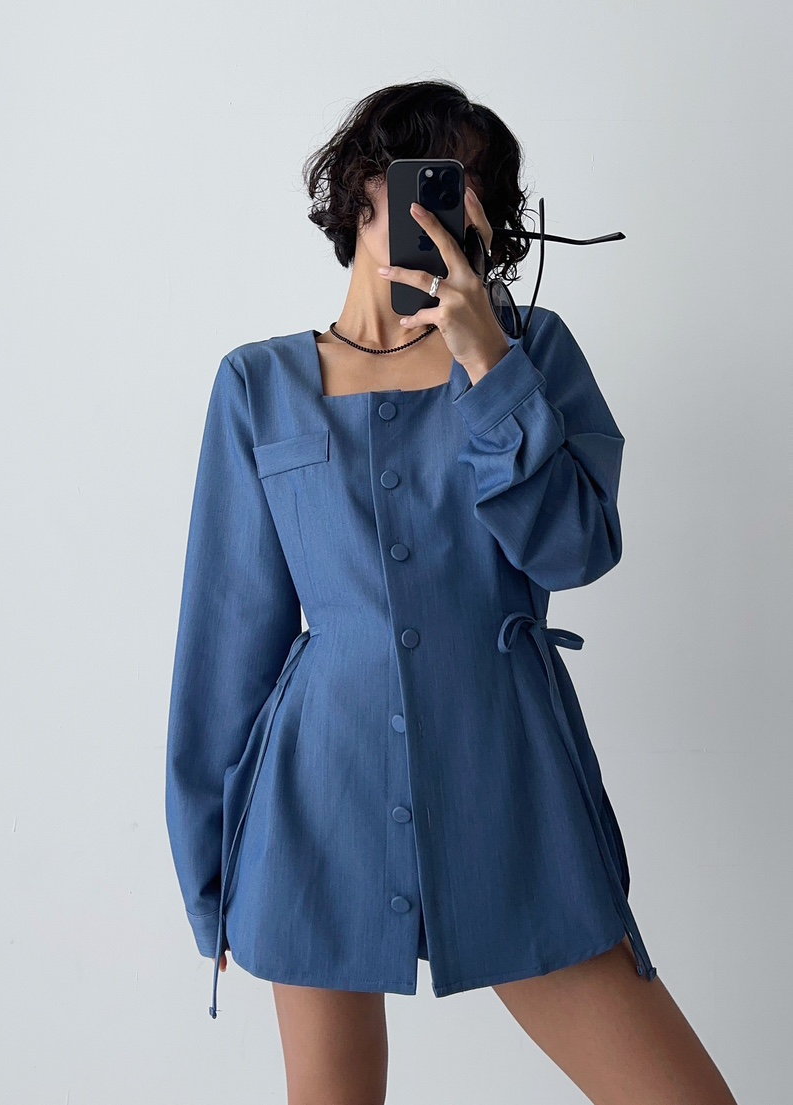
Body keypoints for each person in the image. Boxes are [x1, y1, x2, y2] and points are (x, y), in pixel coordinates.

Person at [165, 80, 739, 1105]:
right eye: (431, 173)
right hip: (317, 800)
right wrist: (211, 879)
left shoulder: (532, 351)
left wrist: (487, 359)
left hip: (505, 780)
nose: (451, 203)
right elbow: (225, 641)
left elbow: (574, 550)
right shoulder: (256, 386)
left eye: (474, 186)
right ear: (361, 190)